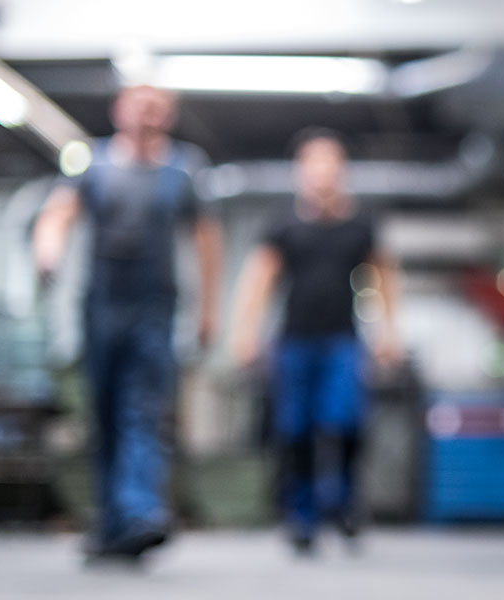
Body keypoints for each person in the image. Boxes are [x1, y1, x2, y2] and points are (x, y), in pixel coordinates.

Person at [32, 85, 223, 561]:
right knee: (105, 415)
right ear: (119, 110)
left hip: (154, 310)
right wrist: (48, 251)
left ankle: (141, 512)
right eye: (139, 104)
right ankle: (111, 527)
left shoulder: (184, 170)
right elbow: (58, 213)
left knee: (141, 410)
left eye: (157, 107)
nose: (147, 114)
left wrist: (208, 311)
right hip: (101, 307)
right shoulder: (92, 164)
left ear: (169, 117)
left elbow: (206, 239)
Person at [229, 127, 402, 554]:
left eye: (330, 164)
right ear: (300, 172)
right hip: (294, 344)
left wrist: (389, 330)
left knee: (345, 423)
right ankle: (302, 518)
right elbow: (259, 280)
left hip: (342, 341)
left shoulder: (361, 225)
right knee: (296, 432)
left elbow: (383, 278)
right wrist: (245, 332)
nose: (322, 173)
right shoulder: (283, 225)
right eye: (313, 164)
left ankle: (343, 505)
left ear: (342, 171)